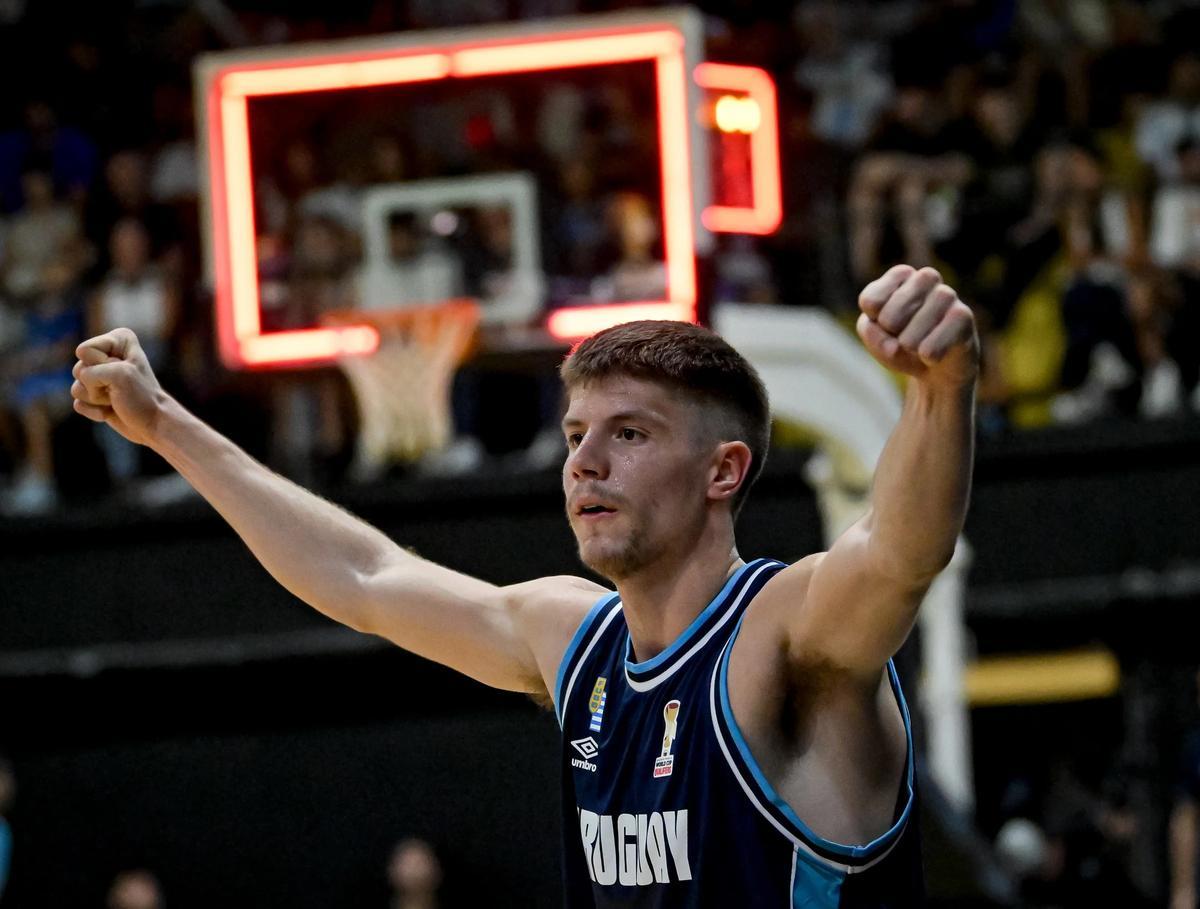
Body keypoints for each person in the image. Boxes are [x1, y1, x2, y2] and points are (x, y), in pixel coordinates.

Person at [69, 264, 977, 906]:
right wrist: (169, 429)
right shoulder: (573, 638)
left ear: (723, 471)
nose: (584, 462)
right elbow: (365, 574)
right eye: (577, 434)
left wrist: (942, 385)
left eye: (629, 434)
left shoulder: (778, 633)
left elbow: (900, 552)